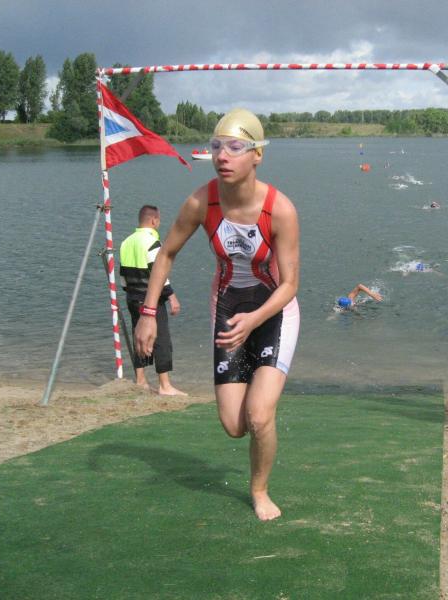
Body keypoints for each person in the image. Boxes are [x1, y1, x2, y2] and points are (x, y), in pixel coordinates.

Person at [134, 108, 300, 521]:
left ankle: (259, 491)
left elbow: (290, 285)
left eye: (235, 147)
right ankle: (258, 404)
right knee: (234, 425)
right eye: (216, 146)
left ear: (257, 155)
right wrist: (148, 312)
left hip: (274, 311)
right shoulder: (201, 202)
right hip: (227, 308)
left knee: (259, 415)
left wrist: (255, 320)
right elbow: (166, 254)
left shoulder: (280, 209)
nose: (223, 156)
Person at [119, 205, 186, 396]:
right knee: (161, 339)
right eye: (159, 220)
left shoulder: (126, 242)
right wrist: (172, 297)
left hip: (132, 296)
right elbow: (159, 273)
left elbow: (122, 276)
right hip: (151, 299)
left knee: (139, 335)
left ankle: (140, 380)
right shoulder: (152, 243)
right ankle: (165, 385)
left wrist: (130, 292)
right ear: (154, 220)